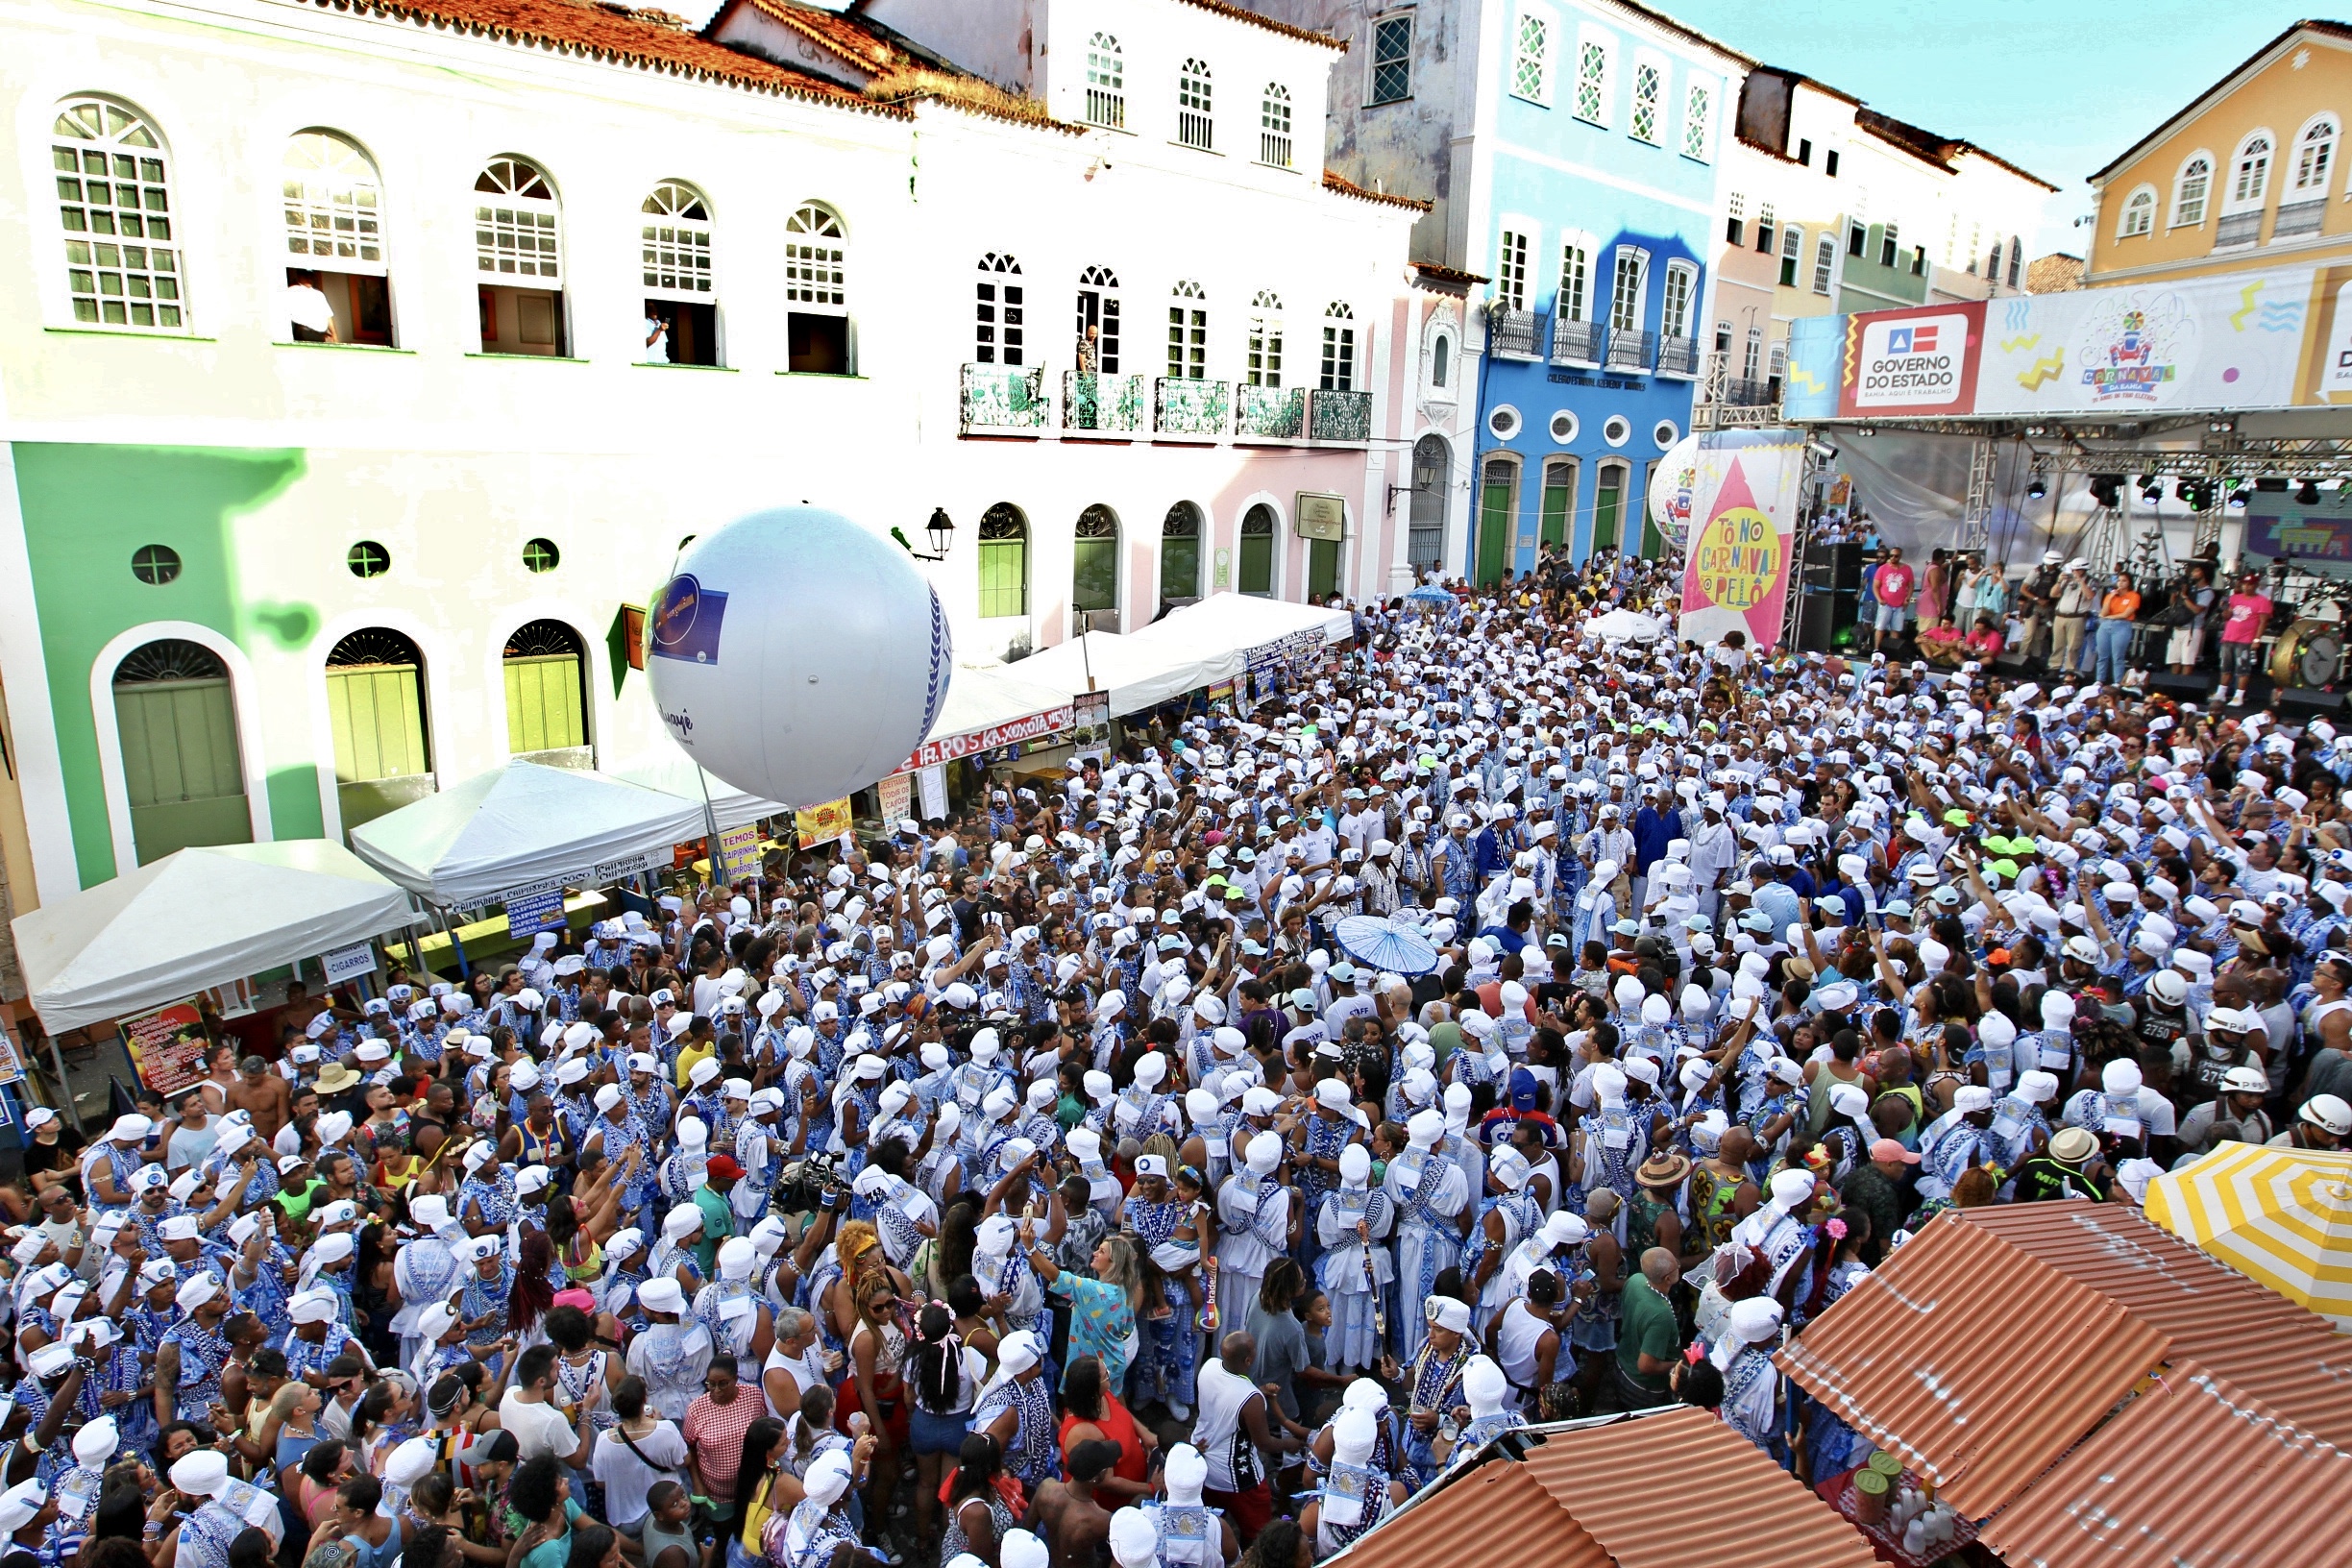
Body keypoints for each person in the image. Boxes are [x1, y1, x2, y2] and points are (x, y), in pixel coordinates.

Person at [2219, 570, 2273, 708]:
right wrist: (2224, 608)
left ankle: (2239, 696)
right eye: (2244, 584)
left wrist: (2257, 639)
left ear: (2255, 585)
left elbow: (2263, 622)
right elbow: (2227, 616)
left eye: (2250, 584)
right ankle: (2221, 692)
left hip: (2245, 639)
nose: (2246, 587)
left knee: (2242, 668)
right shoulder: (2235, 598)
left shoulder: (2262, 601)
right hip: (2229, 636)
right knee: (2226, 666)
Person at [1871, 548, 1914, 654]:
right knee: (1880, 627)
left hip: (1899, 605)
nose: (1893, 558)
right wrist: (1879, 599)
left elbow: (1911, 586)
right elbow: (1875, 586)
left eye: (1896, 556)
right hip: (1886, 603)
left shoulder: (1907, 569)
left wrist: (1907, 599)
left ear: (1900, 556)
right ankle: (1876, 649)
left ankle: (1891, 650)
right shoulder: (1883, 568)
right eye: (1891, 556)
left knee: (1896, 629)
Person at [286, 271, 339, 343]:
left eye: (311, 275)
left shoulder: (319, 294)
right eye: (306, 275)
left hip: (320, 335)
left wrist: (334, 335)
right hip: (304, 333)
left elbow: (328, 315)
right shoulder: (292, 290)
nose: (309, 278)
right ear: (299, 277)